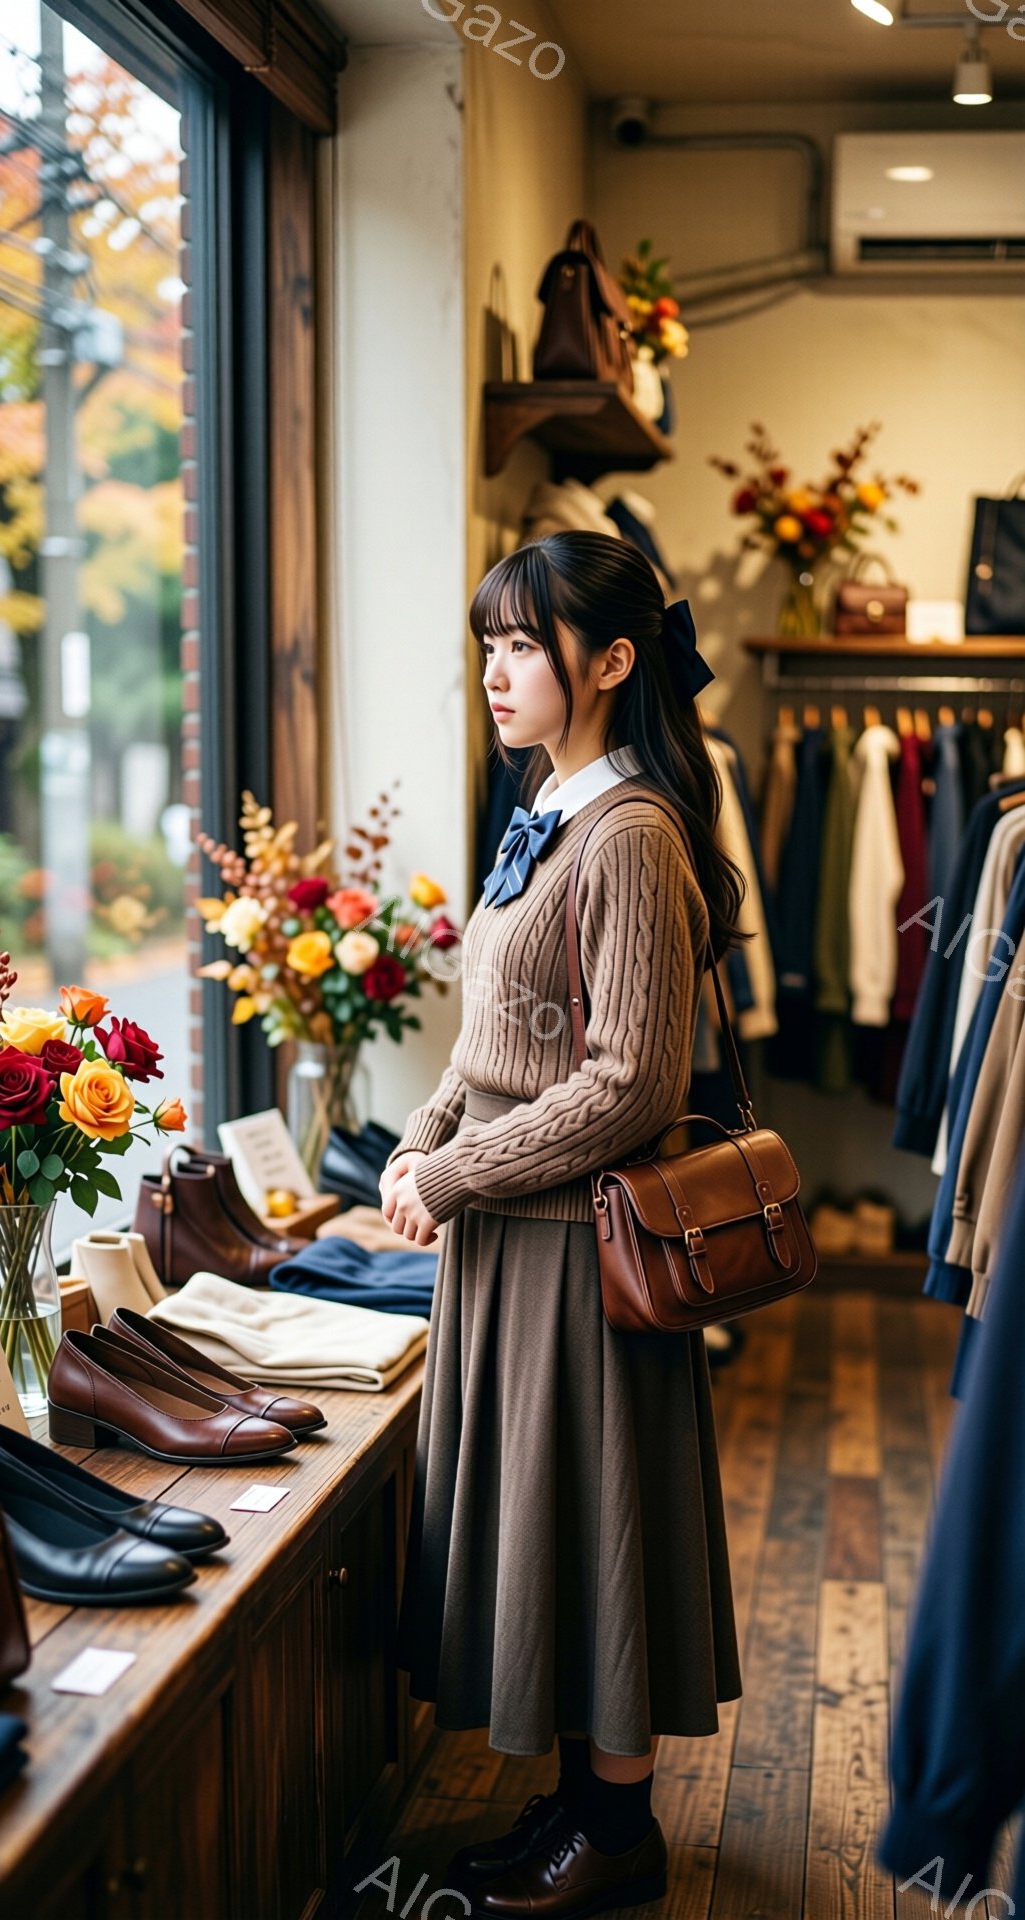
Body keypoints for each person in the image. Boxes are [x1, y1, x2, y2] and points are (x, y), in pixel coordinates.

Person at [379, 530, 746, 1918]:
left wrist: (461, 1178)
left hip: (577, 1259)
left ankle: (616, 1831)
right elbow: (501, 1043)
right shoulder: (545, 811)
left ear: (610, 661)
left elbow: (630, 1082)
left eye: (523, 644)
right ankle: (581, 1806)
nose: (495, 668)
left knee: (595, 1529)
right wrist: (423, 1140)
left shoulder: (633, 831)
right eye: (489, 642)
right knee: (559, 1530)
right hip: (515, 1251)